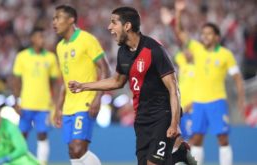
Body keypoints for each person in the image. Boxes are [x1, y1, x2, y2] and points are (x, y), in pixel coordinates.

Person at [68, 6, 196, 165]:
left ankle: (178, 155)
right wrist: (84, 86)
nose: (109, 27)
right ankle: (179, 155)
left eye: (114, 23)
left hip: (162, 115)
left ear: (127, 26)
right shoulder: (123, 52)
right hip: (141, 118)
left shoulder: (153, 49)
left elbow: (173, 88)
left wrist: (175, 123)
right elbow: (117, 81)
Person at [174, 0, 245, 165]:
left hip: (217, 101)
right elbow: (180, 32)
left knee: (222, 138)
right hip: (199, 104)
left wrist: (241, 98)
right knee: (197, 139)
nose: (204, 36)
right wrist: (178, 12)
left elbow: (237, 78)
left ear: (217, 37)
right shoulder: (197, 49)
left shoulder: (226, 54)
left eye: (209, 33)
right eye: (203, 33)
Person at [52, 5, 110, 165]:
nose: (54, 22)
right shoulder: (60, 47)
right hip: (68, 106)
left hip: (86, 101)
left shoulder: (86, 39)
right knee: (72, 151)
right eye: (53, 18)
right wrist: (58, 107)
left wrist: (98, 98)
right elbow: (65, 81)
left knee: (78, 148)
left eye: (58, 18)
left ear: (71, 20)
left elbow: (105, 69)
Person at [12, 28, 59, 165]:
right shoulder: (22, 56)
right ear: (32, 39)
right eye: (39, 37)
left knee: (42, 135)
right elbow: (16, 81)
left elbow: (55, 83)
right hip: (26, 103)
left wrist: (55, 104)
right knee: (22, 136)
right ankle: (18, 161)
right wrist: (16, 101)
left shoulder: (50, 57)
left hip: (44, 105)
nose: (42, 40)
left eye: (43, 37)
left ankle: (42, 162)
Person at [174, 49, 195, 142]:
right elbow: (178, 55)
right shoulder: (183, 65)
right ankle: (179, 156)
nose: (186, 53)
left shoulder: (198, 69)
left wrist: (192, 104)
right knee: (178, 137)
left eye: (189, 50)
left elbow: (202, 89)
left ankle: (191, 156)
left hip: (191, 109)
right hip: (180, 108)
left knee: (191, 137)